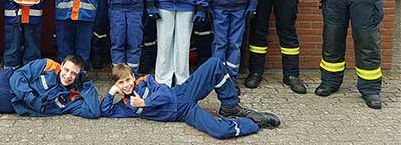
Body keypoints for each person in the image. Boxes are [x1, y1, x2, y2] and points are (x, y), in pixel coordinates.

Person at [101, 60, 280, 139]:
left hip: (183, 93)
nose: (126, 85)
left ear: (133, 76)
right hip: (184, 113)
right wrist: (111, 92)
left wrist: (145, 103)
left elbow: (163, 93)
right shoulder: (125, 106)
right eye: (120, 83)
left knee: (214, 64)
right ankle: (253, 123)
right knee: (218, 131)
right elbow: (105, 111)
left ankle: (231, 106)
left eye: (127, 80)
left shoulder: (144, 81)